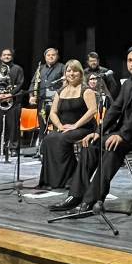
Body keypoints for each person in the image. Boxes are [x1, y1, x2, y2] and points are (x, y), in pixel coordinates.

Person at [50, 45, 132, 213]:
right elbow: (115, 109)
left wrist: (122, 135)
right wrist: (97, 132)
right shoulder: (127, 84)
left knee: (112, 146)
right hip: (124, 133)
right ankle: (75, 195)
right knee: (90, 143)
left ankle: (92, 201)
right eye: (130, 60)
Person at [38, 60, 98, 189]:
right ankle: (53, 179)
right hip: (65, 128)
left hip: (84, 128)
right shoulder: (61, 91)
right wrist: (59, 126)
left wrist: (76, 125)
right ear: (65, 73)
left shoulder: (86, 90)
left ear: (81, 73)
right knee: (49, 139)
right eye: (69, 71)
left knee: (62, 138)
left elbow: (92, 110)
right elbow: (53, 112)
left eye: (75, 70)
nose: (71, 73)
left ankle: (71, 177)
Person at [0, 49, 26, 155]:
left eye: (9, 55)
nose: (7, 56)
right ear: (1, 57)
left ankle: (13, 148)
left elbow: (20, 84)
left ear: (12, 57)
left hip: (13, 101)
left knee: (13, 126)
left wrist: (11, 94)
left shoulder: (18, 69)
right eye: (4, 55)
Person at [29, 47, 64, 143]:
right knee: (42, 126)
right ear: (45, 57)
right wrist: (32, 96)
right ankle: (42, 149)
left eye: (53, 55)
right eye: (48, 55)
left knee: (56, 125)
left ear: (57, 56)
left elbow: (66, 84)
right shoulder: (40, 68)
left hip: (56, 102)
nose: (51, 57)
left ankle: (56, 148)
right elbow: (33, 83)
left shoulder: (62, 67)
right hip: (42, 102)